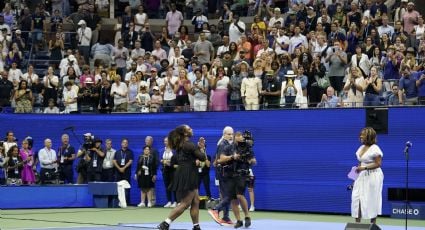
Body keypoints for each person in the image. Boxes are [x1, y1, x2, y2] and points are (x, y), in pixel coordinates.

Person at [157, 125, 206, 230]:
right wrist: (201, 148)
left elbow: (190, 159)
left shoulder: (181, 144)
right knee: (185, 203)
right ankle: (165, 223)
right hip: (189, 174)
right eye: (189, 129)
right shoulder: (190, 145)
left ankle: (196, 226)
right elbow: (202, 158)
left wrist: (197, 151)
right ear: (185, 133)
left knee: (196, 200)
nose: (191, 129)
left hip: (183, 172)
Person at [209, 131, 255, 228]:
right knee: (233, 199)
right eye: (239, 136)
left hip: (242, 175)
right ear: (235, 137)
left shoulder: (247, 148)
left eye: (242, 137)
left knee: (239, 195)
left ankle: (247, 217)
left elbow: (253, 161)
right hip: (230, 176)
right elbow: (220, 159)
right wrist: (232, 157)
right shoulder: (228, 147)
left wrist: (249, 160)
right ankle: (238, 220)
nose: (241, 138)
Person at [351, 127, 384, 225]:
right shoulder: (361, 148)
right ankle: (357, 225)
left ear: (369, 136)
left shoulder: (375, 148)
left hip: (373, 176)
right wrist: (354, 179)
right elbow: (360, 164)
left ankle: (372, 225)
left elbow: (378, 164)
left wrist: (364, 168)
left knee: (372, 199)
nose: (360, 136)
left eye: (363, 135)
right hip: (361, 175)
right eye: (360, 134)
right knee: (356, 198)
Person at [161, 137, 177, 208]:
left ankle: (176, 201)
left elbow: (176, 160)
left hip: (173, 171)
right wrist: (162, 161)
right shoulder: (162, 150)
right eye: (164, 141)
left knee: (173, 186)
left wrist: (169, 163)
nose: (165, 142)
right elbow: (160, 159)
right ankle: (169, 201)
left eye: (166, 141)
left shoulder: (174, 150)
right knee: (167, 186)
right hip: (165, 170)